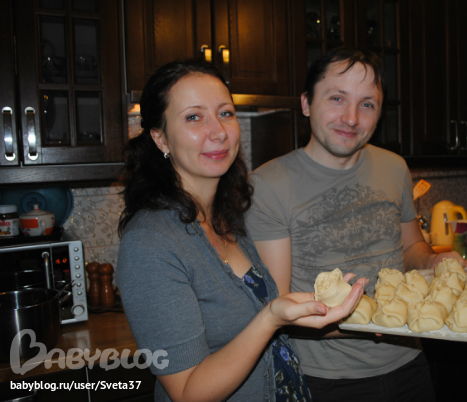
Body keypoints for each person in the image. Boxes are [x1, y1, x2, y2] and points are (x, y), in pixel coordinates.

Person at [115, 59, 367, 402]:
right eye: (193, 117)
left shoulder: (227, 217)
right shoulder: (149, 242)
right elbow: (188, 392)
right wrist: (271, 318)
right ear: (160, 138)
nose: (219, 131)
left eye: (225, 113)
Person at [245, 47, 467, 402]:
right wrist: (374, 320)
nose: (351, 118)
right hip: (326, 380)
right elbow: (280, 304)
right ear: (306, 103)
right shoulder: (268, 185)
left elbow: (411, 246)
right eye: (337, 98)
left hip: (409, 363)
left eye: (367, 104)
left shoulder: (394, 167)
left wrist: (433, 260)